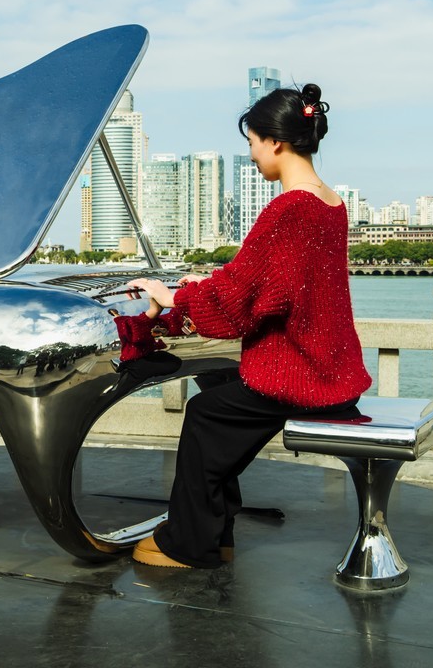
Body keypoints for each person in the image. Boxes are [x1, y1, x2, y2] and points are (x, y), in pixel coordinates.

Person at [124, 83, 372, 569]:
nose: (253, 153)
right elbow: (264, 282)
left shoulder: (288, 208)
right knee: (216, 382)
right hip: (329, 366)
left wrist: (172, 296)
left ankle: (190, 544)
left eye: (253, 142)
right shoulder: (329, 203)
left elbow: (247, 302)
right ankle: (216, 533)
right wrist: (208, 282)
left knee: (203, 417)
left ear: (275, 142)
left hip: (302, 374)